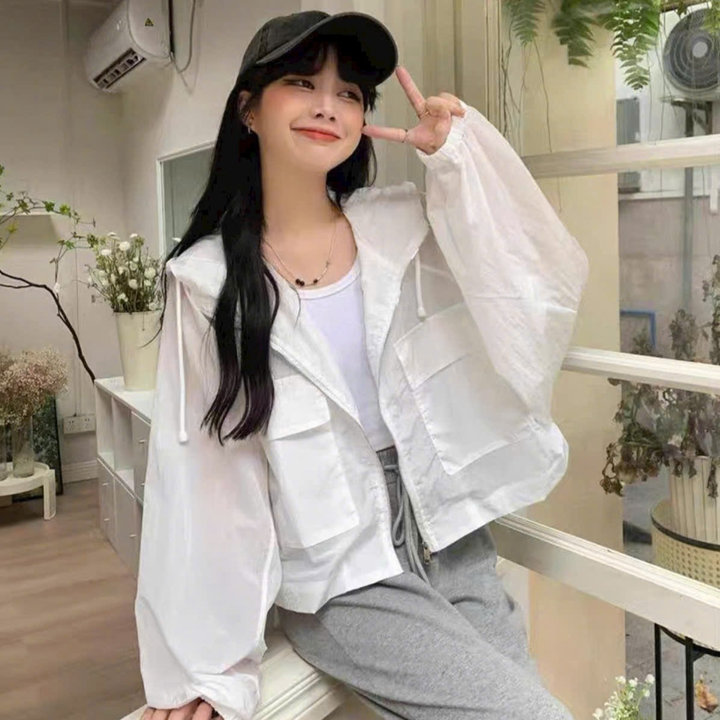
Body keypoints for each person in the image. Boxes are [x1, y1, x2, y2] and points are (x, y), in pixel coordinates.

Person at [136, 9, 589, 720]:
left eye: (348, 93)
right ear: (249, 109)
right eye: (301, 82)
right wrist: (205, 667)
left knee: (530, 698)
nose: (328, 105)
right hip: (342, 569)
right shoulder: (207, 282)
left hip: (447, 526)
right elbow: (201, 476)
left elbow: (534, 285)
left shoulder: (401, 222)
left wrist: (459, 160)